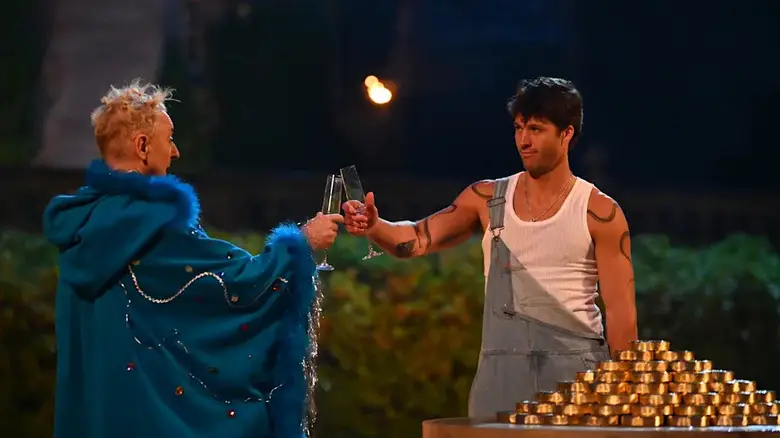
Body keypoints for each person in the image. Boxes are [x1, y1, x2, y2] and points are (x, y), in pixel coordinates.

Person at [43, 80, 343, 438]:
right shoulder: (155, 223)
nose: (176, 152)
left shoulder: (80, 228)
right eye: (169, 138)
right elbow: (237, 285)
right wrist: (302, 243)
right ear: (141, 145)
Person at [343, 77, 638, 417]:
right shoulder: (486, 199)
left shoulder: (600, 212)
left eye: (537, 129)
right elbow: (414, 240)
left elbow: (621, 314)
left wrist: (624, 394)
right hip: (500, 379)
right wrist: (375, 226)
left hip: (575, 378)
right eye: (518, 128)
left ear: (567, 134)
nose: (524, 141)